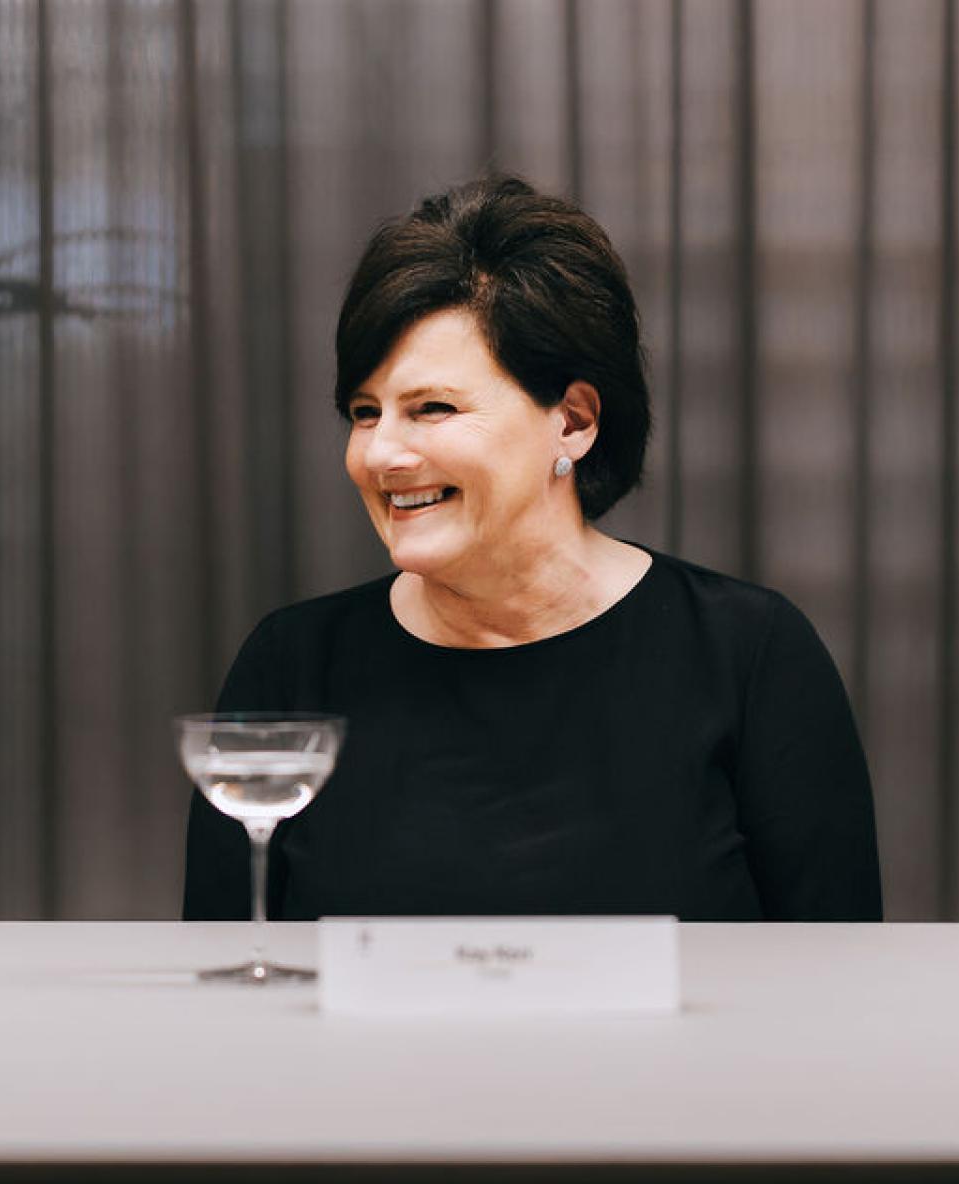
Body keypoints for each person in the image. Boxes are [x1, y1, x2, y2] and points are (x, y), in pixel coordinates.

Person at [184, 175, 880, 922]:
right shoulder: (291, 666)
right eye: (363, 411)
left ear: (573, 422)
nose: (380, 453)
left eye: (432, 408)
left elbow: (836, 973)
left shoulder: (751, 657)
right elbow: (226, 968)